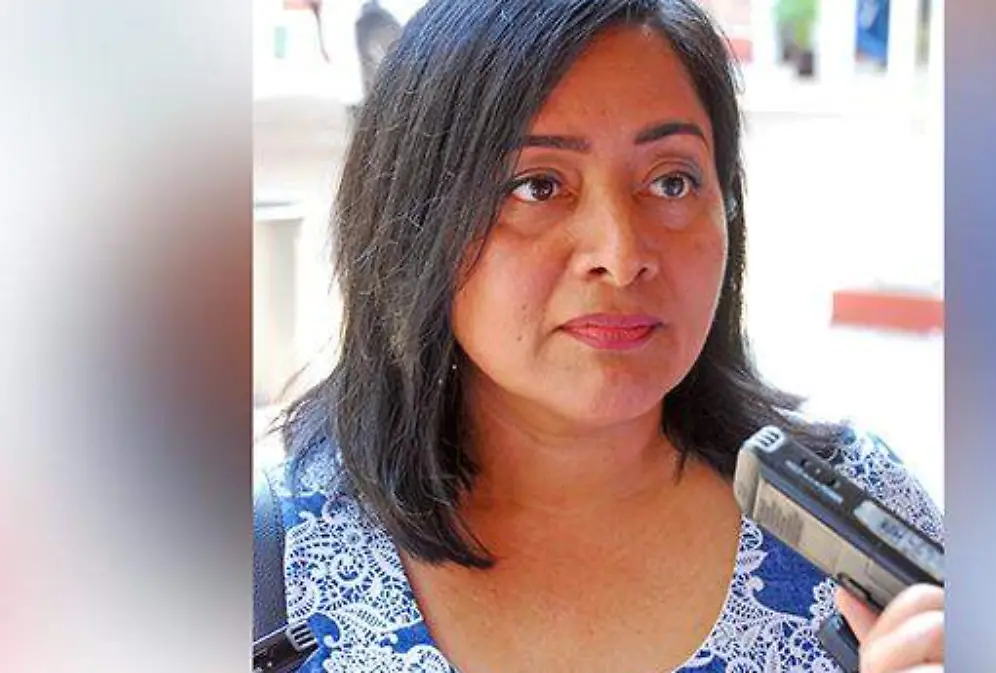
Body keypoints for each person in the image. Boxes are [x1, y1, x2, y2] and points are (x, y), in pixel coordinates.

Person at [263, 0, 945, 671]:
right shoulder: (269, 559)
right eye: (537, 186)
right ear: (413, 219)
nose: (620, 255)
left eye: (672, 182)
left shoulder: (865, 522)